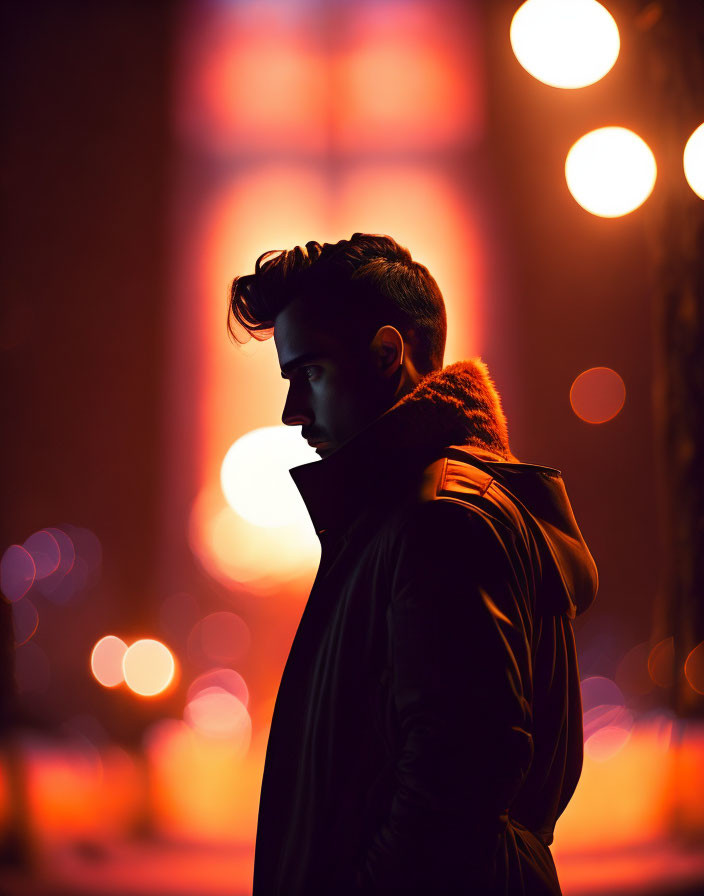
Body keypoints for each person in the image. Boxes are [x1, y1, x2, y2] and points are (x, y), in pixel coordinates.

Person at [228, 234, 599, 895]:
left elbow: (456, 781)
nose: (290, 413)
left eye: (309, 373)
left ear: (387, 354)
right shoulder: (405, 515)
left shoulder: (438, 520)